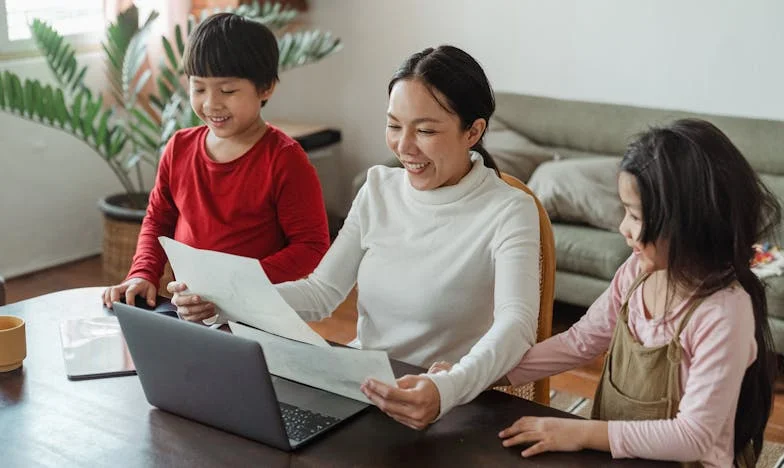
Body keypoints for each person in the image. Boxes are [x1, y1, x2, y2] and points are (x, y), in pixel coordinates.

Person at [170, 45, 542, 429]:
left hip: (447, 401)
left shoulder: (510, 210)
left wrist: (446, 388)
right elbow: (321, 293)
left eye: (426, 130)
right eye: (394, 126)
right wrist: (223, 302)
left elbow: (516, 326)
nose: (404, 147)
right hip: (362, 385)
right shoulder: (379, 188)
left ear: (473, 131)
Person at [483, 119, 779, 467]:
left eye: (636, 216)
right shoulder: (636, 274)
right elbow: (580, 341)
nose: (623, 227)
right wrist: (486, 373)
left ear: (688, 225)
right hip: (618, 456)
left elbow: (694, 437)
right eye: (625, 211)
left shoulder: (724, 311)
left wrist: (579, 433)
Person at [102, 13, 330, 309]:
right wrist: (143, 272)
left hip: (255, 312)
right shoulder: (179, 148)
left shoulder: (285, 160)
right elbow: (158, 220)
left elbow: (311, 247)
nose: (211, 103)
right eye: (198, 88)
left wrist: (234, 289)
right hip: (188, 308)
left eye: (228, 90)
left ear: (266, 88)